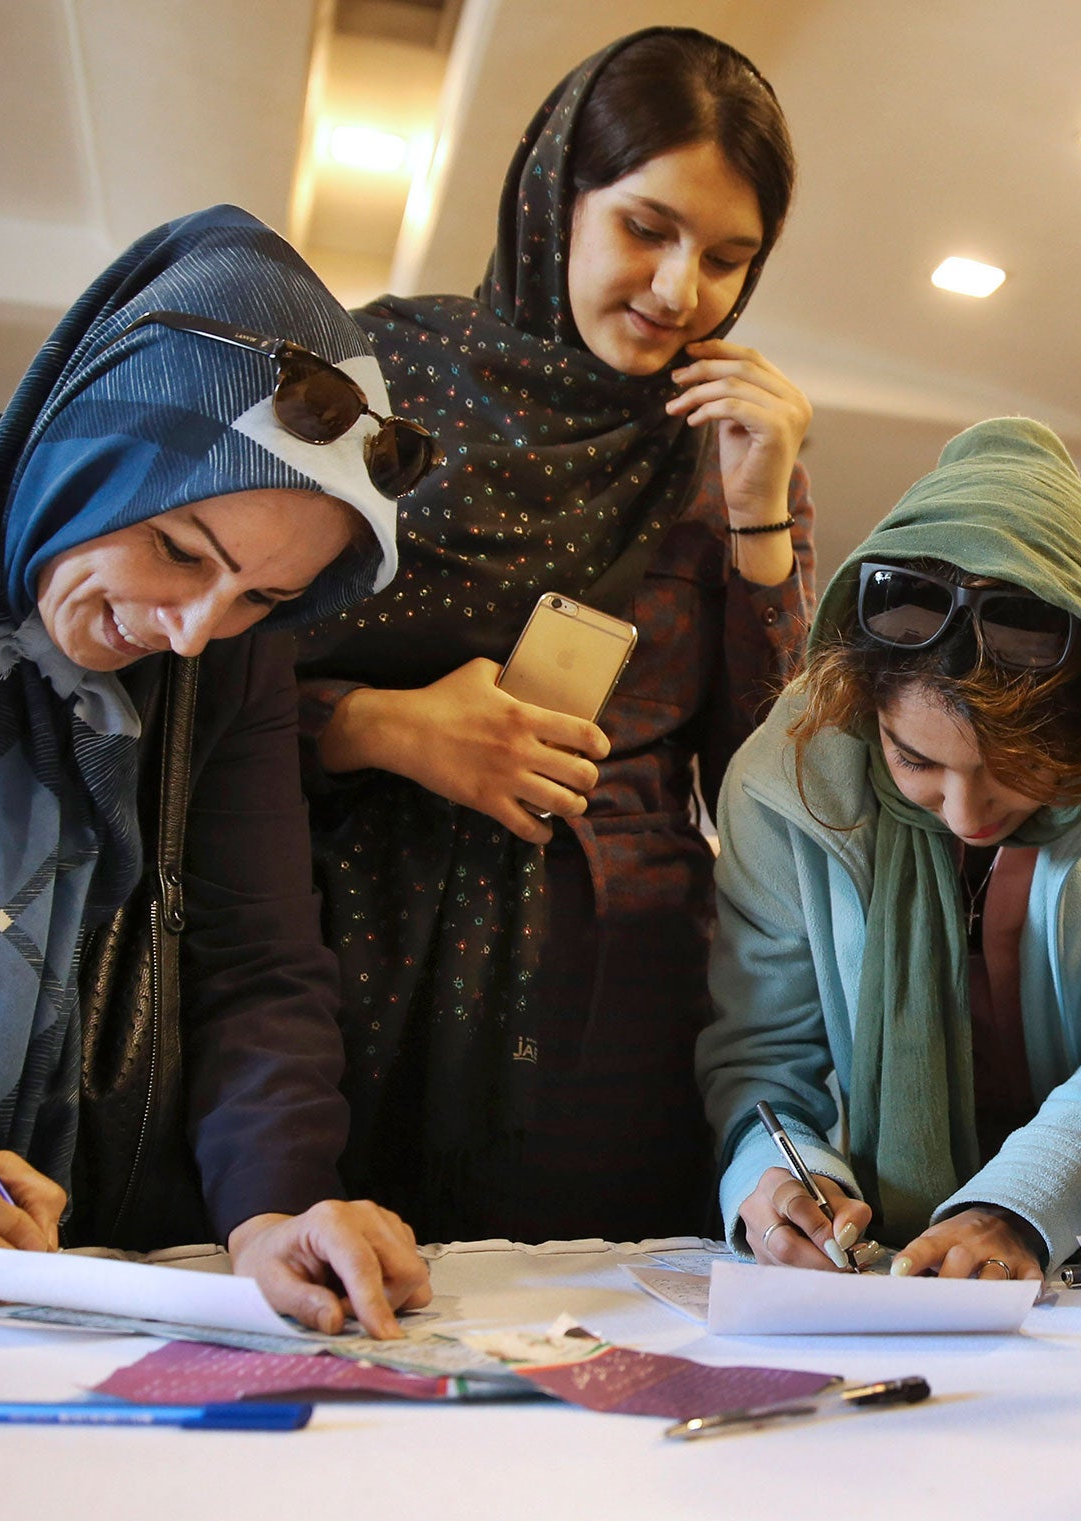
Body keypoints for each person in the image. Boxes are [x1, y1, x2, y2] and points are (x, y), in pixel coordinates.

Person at [294, 28, 815, 1242]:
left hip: (614, 989)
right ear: (554, 199)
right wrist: (380, 727)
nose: (681, 291)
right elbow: (216, 677)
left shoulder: (731, 445)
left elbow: (768, 781)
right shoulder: (376, 384)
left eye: (729, 257)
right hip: (351, 955)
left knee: (601, 1356)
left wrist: (760, 522)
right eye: (646, 228)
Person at [0, 205, 431, 1337]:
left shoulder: (231, 663)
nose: (190, 636)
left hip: (71, 1254)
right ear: (91, 441)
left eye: (264, 598)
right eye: (177, 549)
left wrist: (273, 1210)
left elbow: (257, 960)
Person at [696, 417, 1081, 1280]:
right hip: (872, 1246)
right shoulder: (784, 776)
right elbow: (763, 1053)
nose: (964, 813)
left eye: (1018, 772)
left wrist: (1017, 1208)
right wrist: (776, 1181)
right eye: (914, 760)